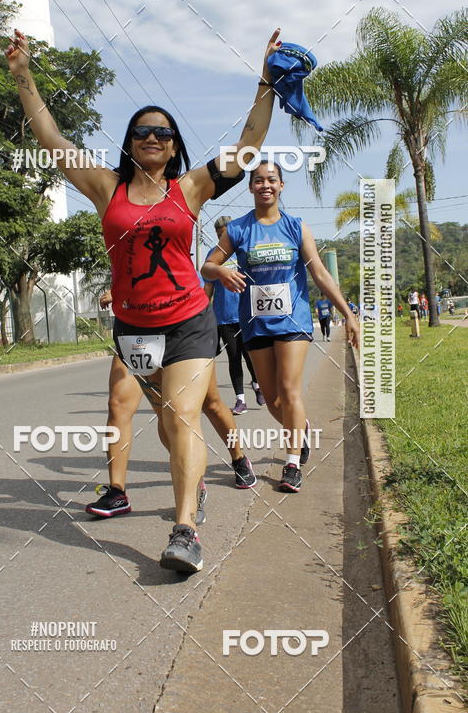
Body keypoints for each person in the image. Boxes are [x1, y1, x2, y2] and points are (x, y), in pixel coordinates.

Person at [6, 27, 280, 573]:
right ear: (130, 143)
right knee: (166, 421)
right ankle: (193, 480)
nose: (151, 137)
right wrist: (23, 76)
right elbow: (52, 139)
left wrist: (266, 81)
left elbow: (248, 144)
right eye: (140, 132)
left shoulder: (190, 188)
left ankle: (186, 532)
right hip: (133, 329)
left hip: (189, 321)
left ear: (174, 146)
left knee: (182, 415)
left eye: (162, 132)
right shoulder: (105, 187)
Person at [202, 161, 360, 494]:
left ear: (281, 185)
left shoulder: (296, 227)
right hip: (255, 324)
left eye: (271, 180)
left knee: (289, 391)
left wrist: (347, 313)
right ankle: (300, 427)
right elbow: (207, 266)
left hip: (293, 321)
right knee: (273, 399)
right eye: (258, 180)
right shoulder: (238, 229)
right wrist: (222, 271)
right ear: (250, 187)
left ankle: (292, 463)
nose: (265, 185)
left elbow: (319, 273)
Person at [84, 291, 257, 523]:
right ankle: (118, 491)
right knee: (120, 405)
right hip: (135, 329)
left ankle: (238, 457)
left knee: (211, 404)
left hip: (183, 326)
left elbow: (197, 281)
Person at [204, 216, 264, 414]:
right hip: (224, 317)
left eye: (225, 234)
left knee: (250, 355)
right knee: (234, 357)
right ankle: (240, 400)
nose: (222, 239)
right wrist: (203, 315)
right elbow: (208, 289)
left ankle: (257, 384)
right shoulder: (212, 257)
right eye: (219, 235)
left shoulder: (245, 251)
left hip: (247, 314)